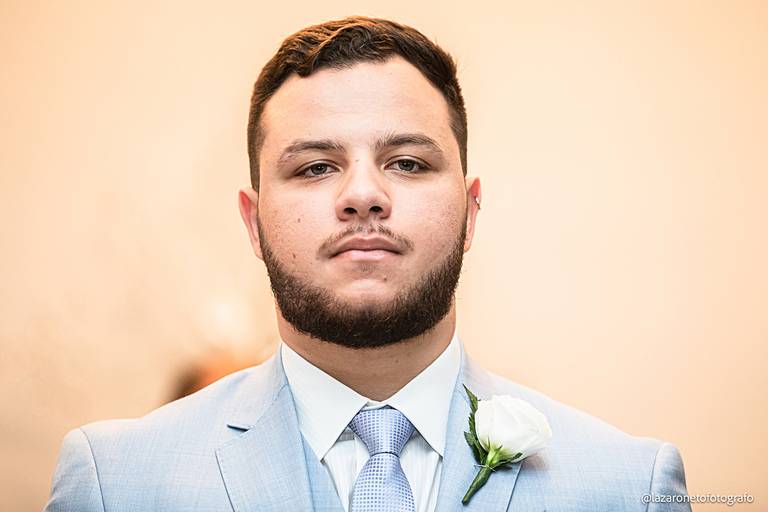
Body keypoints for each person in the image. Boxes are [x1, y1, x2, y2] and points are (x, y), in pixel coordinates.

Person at [45, 16, 691, 511]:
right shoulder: (115, 483)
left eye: (407, 162)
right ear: (253, 221)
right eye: (315, 167)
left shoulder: (629, 486)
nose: (362, 195)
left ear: (470, 213)